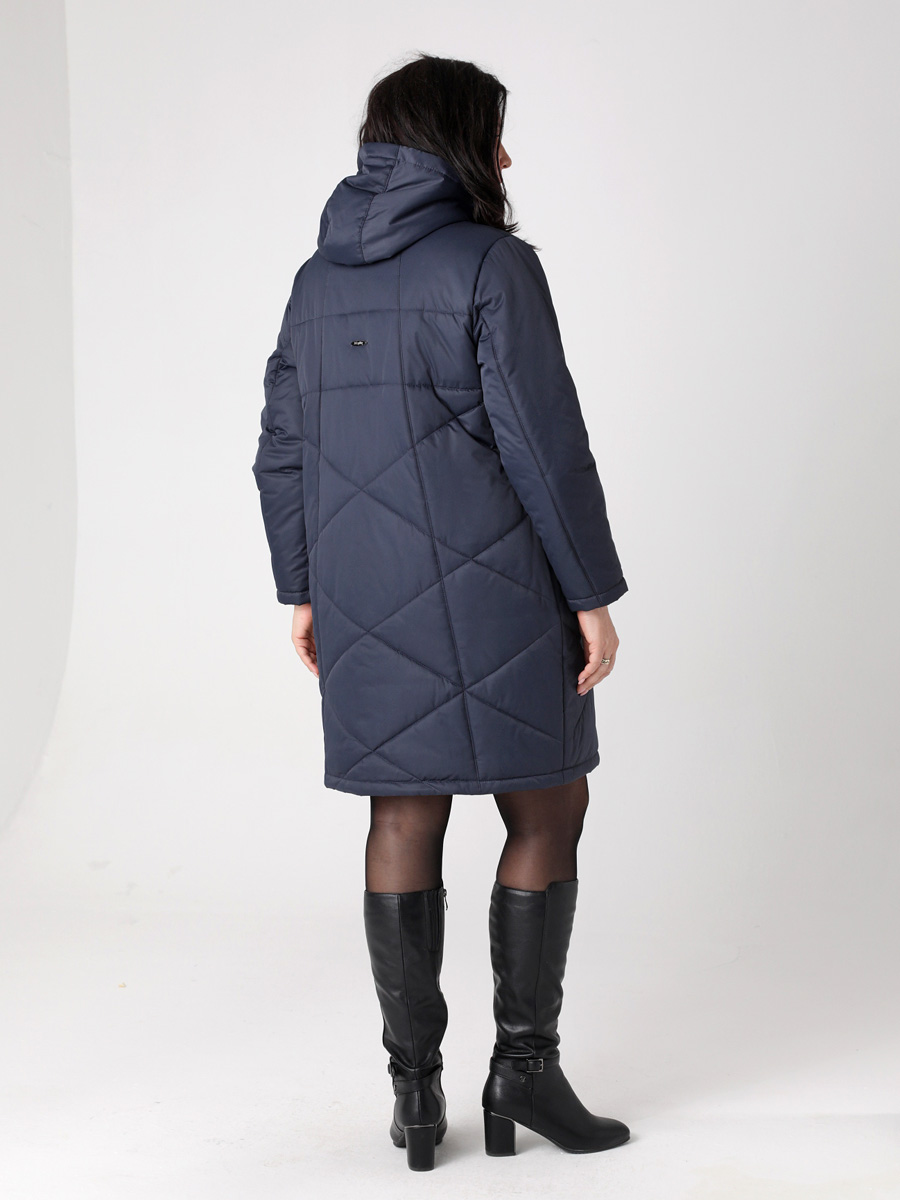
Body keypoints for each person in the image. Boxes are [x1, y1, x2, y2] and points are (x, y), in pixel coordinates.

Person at [252, 52, 631, 1172]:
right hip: (501, 586)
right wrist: (592, 594)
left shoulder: (315, 279)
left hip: (362, 591)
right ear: (460, 139)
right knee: (548, 803)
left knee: (402, 812)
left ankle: (415, 1101)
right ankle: (524, 1072)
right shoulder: (493, 264)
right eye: (494, 132)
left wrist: (303, 585)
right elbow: (544, 444)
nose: (506, 156)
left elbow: (282, 446)